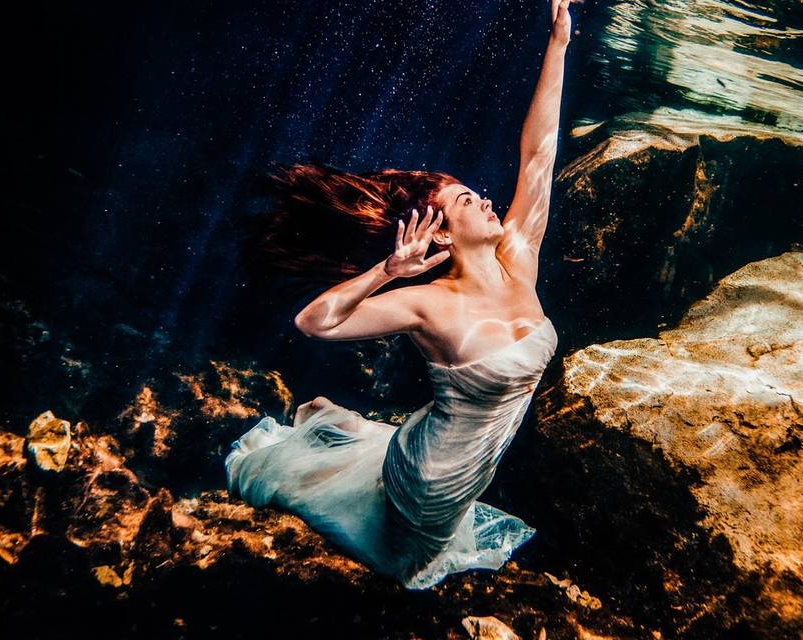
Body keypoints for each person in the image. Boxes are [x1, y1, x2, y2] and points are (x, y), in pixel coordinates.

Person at [226, 0, 576, 590]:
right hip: (434, 479)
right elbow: (315, 323)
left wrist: (559, 45)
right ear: (438, 233)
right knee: (409, 566)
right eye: (468, 201)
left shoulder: (518, 261)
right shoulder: (428, 304)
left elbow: (539, 155)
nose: (487, 200)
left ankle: (345, 438)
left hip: (465, 464)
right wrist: (386, 271)